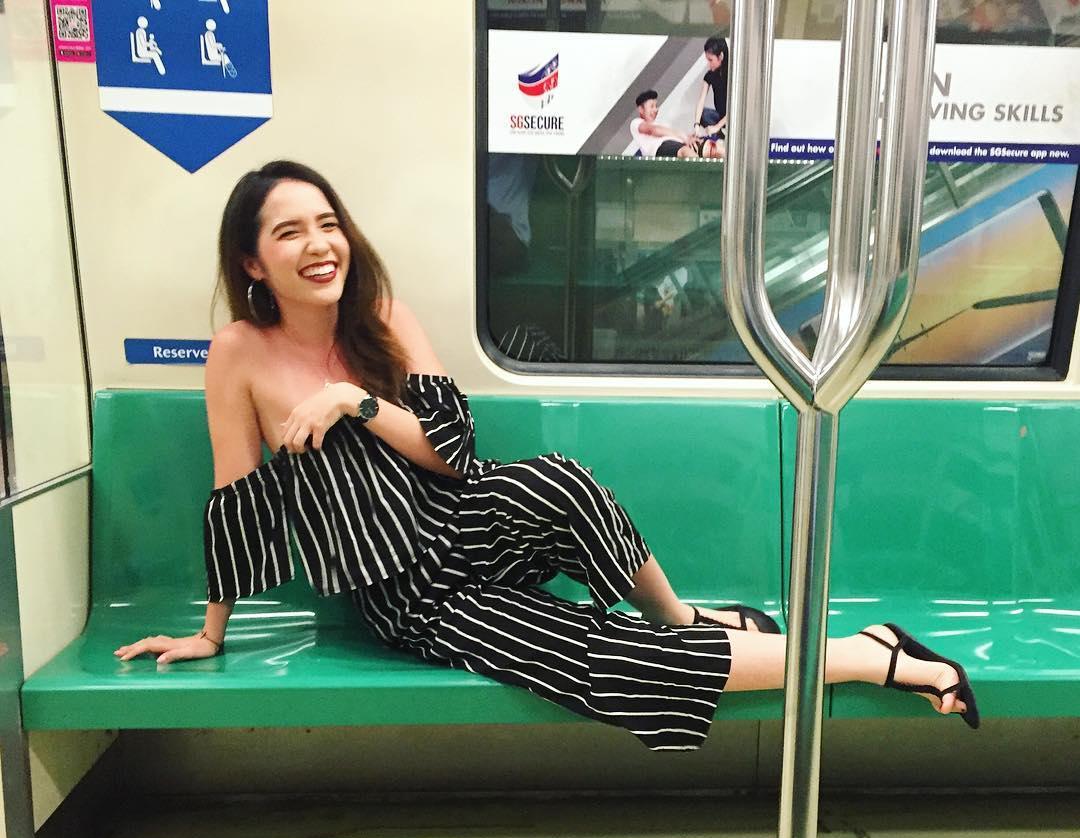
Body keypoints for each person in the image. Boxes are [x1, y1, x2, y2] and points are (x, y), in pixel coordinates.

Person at [113, 161, 979, 748]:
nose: (319, 246)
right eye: (290, 232)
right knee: (604, 655)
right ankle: (869, 652)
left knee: (560, 479)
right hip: (413, 593)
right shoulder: (239, 354)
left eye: (328, 224)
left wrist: (355, 400)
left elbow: (453, 453)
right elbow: (236, 499)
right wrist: (211, 632)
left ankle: (682, 619)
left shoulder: (382, 315)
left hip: (461, 516)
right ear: (252, 260)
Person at [629, 90, 720, 160]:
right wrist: (684, 137)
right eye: (652, 106)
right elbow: (654, 130)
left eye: (656, 106)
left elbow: (673, 135)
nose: (655, 109)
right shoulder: (636, 123)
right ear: (641, 109)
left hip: (676, 144)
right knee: (685, 151)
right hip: (660, 148)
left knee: (710, 147)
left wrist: (690, 138)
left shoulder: (660, 124)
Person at [692, 36, 729, 150]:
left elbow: (737, 108)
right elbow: (701, 100)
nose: (708, 64)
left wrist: (717, 127)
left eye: (710, 60)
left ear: (721, 56)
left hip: (734, 117)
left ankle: (723, 135)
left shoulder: (733, 75)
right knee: (704, 114)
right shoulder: (710, 75)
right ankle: (721, 137)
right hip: (721, 117)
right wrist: (696, 125)